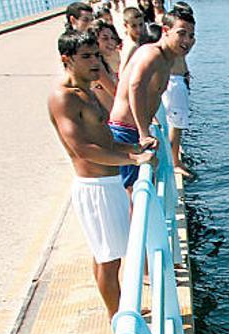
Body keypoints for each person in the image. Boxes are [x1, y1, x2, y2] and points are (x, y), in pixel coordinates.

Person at [47, 31, 155, 318]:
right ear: (67, 59)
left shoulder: (89, 92)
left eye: (96, 55)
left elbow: (105, 141)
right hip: (95, 188)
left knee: (107, 255)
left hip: (110, 184)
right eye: (86, 56)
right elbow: (83, 149)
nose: (95, 61)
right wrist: (133, 158)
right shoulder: (64, 98)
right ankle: (117, 319)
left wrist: (136, 146)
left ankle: (120, 311)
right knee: (109, 261)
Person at [109, 8, 196, 192]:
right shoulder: (152, 54)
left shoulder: (168, 59)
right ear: (165, 30)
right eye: (181, 33)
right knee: (131, 190)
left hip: (134, 128)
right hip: (126, 129)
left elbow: (151, 94)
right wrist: (143, 133)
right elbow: (135, 86)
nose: (187, 41)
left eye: (191, 36)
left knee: (140, 186)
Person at [161, 1, 195, 178]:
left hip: (178, 79)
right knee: (176, 124)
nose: (187, 39)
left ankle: (174, 158)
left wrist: (186, 73)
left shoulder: (179, 44)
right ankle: (175, 161)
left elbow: (183, 58)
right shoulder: (164, 47)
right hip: (174, 82)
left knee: (175, 123)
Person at [89, 20, 120, 111]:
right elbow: (116, 93)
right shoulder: (96, 65)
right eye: (105, 38)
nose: (111, 42)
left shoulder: (104, 62)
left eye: (112, 38)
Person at [119, 7, 145, 73]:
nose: (138, 29)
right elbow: (122, 72)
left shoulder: (137, 41)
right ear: (125, 26)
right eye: (133, 26)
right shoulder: (131, 46)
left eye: (141, 24)